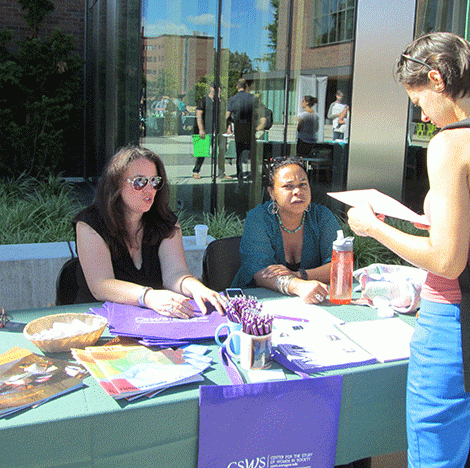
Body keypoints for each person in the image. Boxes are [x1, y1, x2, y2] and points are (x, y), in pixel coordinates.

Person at [347, 32, 470, 468]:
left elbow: (449, 260)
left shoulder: (453, 143)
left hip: (456, 325)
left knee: (435, 463)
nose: (423, 115)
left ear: (436, 78)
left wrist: (373, 228)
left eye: (419, 101)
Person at [73, 145, 226, 317]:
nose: (149, 189)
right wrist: (148, 297)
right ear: (116, 184)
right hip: (98, 320)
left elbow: (175, 274)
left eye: (154, 181)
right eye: (139, 182)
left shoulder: (165, 222)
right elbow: (101, 285)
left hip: (149, 321)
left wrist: (197, 288)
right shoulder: (90, 224)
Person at [231, 157, 340, 303]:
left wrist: (299, 275)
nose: (297, 191)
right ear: (272, 192)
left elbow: (340, 267)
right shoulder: (258, 218)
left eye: (303, 185)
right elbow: (260, 272)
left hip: (313, 303)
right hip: (256, 302)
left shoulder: (322, 216)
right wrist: (297, 286)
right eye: (288, 186)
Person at [226, 79, 266, 181]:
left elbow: (226, 116)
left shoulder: (232, 99)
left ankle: (240, 176)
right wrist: (257, 128)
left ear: (237, 87)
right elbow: (262, 116)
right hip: (250, 129)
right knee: (253, 154)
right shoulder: (253, 98)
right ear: (246, 86)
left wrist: (229, 126)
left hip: (239, 130)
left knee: (239, 154)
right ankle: (254, 175)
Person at [193, 83, 219, 179]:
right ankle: (196, 170)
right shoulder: (203, 101)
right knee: (201, 152)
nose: (218, 90)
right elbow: (198, 115)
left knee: (216, 153)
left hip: (216, 130)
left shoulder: (218, 102)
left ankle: (216, 171)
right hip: (205, 130)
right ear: (211, 88)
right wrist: (201, 129)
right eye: (216, 88)